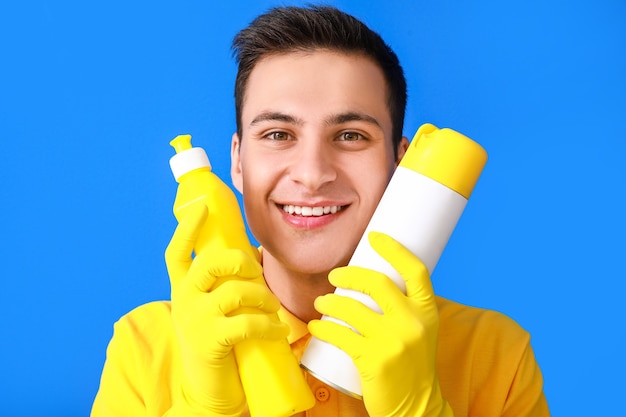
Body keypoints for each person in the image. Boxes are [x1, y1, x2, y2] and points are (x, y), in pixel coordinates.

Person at [91, 5, 549, 417]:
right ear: (237, 161)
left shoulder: (494, 352)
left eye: (350, 135)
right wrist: (202, 409)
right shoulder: (147, 345)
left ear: (401, 163)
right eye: (277, 135)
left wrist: (420, 411)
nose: (312, 174)